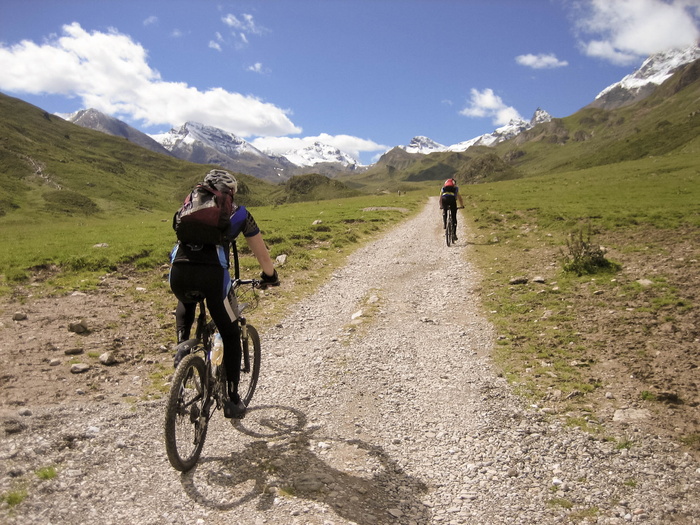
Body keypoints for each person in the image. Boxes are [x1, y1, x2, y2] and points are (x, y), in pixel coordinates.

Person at [169, 169, 279, 419]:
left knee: (185, 300)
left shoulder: (187, 208)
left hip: (179, 273)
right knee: (229, 332)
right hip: (213, 278)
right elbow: (261, 253)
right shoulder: (239, 213)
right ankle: (231, 399)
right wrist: (270, 276)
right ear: (230, 192)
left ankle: (182, 351)